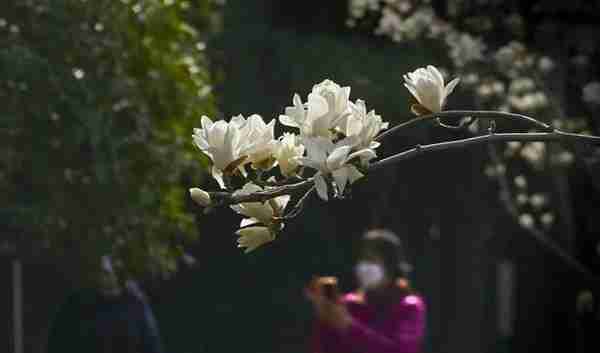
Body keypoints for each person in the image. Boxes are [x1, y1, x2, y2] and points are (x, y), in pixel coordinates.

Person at [306, 229, 426, 353]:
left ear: (390, 265)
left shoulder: (409, 306)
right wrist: (324, 316)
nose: (363, 266)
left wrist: (348, 325)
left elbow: (402, 350)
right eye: (362, 259)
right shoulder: (348, 303)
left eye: (371, 259)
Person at [46, 256, 164, 353]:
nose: (102, 276)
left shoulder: (136, 306)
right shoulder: (77, 304)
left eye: (106, 272)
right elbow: (57, 344)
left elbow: (152, 345)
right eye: (99, 271)